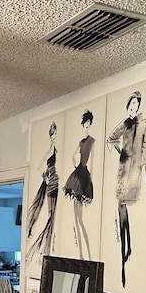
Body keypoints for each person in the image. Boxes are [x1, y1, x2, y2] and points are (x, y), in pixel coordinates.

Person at [106, 91, 146, 287]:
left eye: (136, 103)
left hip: (134, 170)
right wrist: (121, 152)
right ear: (128, 106)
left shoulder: (143, 124)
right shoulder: (125, 122)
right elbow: (110, 138)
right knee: (121, 207)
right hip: (123, 167)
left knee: (123, 207)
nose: (133, 106)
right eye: (131, 103)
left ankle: (127, 248)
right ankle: (127, 247)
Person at [62, 109, 95, 260]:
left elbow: (91, 161)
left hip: (82, 177)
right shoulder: (82, 142)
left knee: (79, 219)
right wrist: (78, 168)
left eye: (88, 123)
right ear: (83, 124)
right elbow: (72, 156)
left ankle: (85, 253)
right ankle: (82, 254)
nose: (86, 125)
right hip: (80, 174)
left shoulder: (91, 141)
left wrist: (89, 179)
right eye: (85, 123)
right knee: (76, 219)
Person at [27, 122, 59, 260]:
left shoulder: (57, 150)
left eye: (57, 133)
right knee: (52, 215)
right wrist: (46, 179)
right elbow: (40, 167)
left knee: (54, 215)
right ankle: (46, 247)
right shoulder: (50, 151)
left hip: (56, 182)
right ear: (51, 136)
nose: (56, 136)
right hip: (52, 184)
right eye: (54, 134)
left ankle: (48, 247)